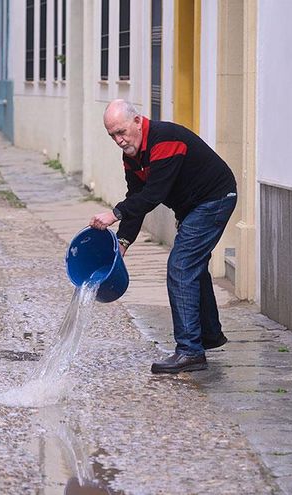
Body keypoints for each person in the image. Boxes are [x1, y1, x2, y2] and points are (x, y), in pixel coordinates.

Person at [89, 99, 237, 374]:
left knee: (181, 267)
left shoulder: (165, 140)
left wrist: (114, 214)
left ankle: (190, 351)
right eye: (112, 135)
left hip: (215, 199)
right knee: (193, 266)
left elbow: (154, 195)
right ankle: (208, 335)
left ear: (137, 121)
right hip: (192, 207)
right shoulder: (132, 156)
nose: (119, 140)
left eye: (121, 132)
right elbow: (137, 197)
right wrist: (121, 244)